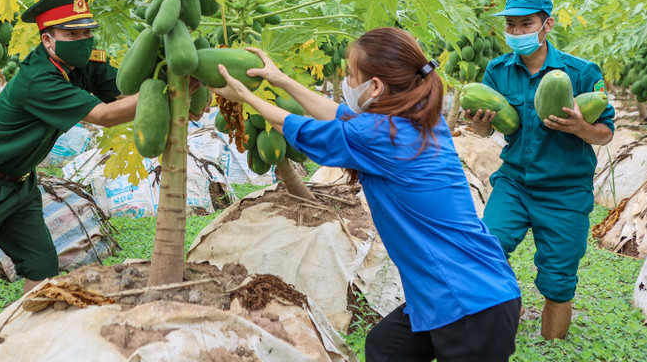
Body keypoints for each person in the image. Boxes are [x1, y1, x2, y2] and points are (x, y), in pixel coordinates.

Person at [210, 28, 521, 362]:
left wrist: (248, 97)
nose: (346, 82)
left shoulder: (381, 134)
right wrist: (279, 80)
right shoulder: (417, 119)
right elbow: (340, 115)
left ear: (374, 87)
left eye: (351, 75)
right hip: (454, 291)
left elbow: (305, 129)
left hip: (468, 304)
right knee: (385, 348)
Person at [0, 0, 140, 362]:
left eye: (86, 32)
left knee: (42, 267)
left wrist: (167, 79)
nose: (81, 39)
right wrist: (163, 93)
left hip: (20, 182)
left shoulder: (84, 64)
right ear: (48, 40)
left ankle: (29, 350)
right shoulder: (38, 79)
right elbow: (105, 116)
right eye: (71, 33)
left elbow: (123, 92)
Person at [465, 0, 614, 340]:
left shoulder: (579, 72)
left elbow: (606, 133)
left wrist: (581, 127)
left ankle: (553, 349)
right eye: (511, 25)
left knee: (558, 281)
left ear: (546, 25)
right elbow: (484, 130)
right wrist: (480, 125)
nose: (517, 32)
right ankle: (497, 327)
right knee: (485, 253)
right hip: (514, 183)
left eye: (525, 24)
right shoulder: (497, 71)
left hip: (565, 190)